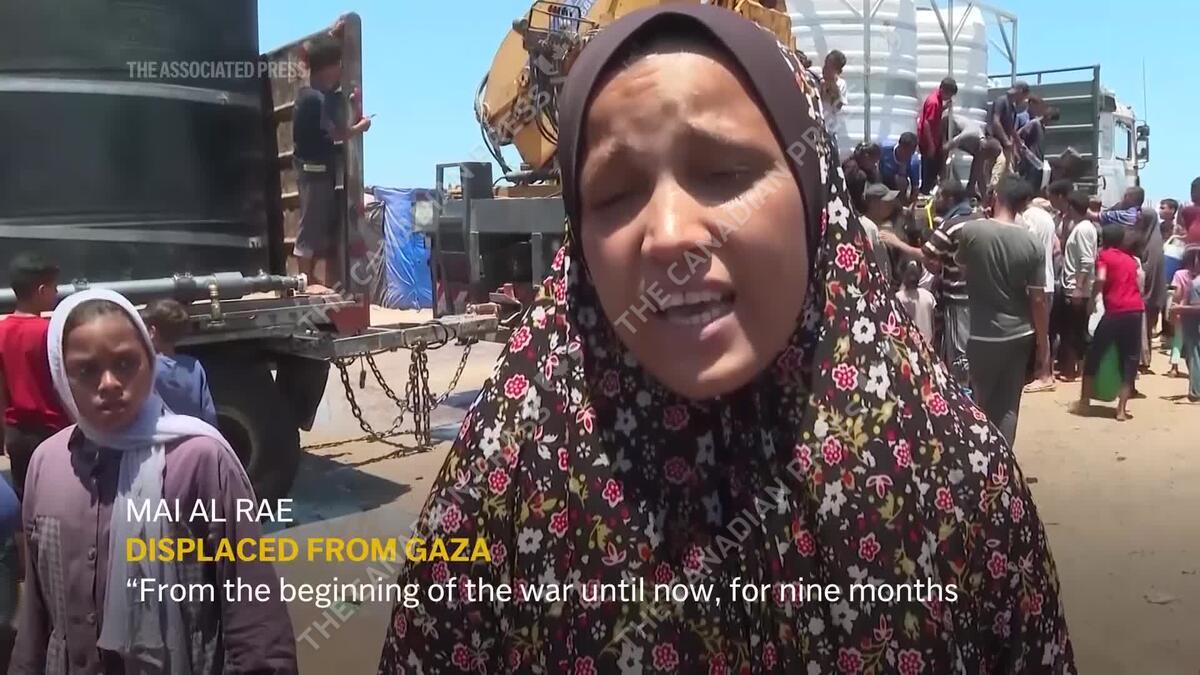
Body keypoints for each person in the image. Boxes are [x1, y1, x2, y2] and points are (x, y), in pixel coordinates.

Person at [377, 6, 1075, 673]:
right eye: (614, 192)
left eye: (724, 173)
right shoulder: (500, 483)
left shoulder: (957, 482)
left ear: (813, 195)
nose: (668, 234)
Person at [10, 289, 297, 673]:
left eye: (125, 363)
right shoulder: (47, 464)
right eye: (86, 370)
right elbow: (36, 614)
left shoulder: (200, 461)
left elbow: (253, 613)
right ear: (62, 375)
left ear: (150, 359)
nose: (109, 383)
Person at [956, 175, 1048, 445]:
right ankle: (1004, 460)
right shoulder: (1033, 243)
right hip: (1020, 334)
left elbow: (961, 267)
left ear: (996, 197)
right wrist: (1043, 345)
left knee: (980, 403)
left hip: (982, 333)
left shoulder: (972, 231)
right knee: (1009, 405)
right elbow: (1038, 300)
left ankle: (982, 457)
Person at [293, 34, 371, 293]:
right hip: (314, 171)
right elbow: (335, 134)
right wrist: (359, 127)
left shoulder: (313, 95)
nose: (341, 70)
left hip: (316, 170)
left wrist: (333, 36)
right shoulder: (314, 99)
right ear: (327, 68)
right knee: (311, 224)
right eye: (338, 64)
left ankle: (308, 277)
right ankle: (304, 278)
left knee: (316, 224)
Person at [0, 253, 67, 498]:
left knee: (26, 494)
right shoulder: (51, 332)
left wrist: (4, 433)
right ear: (41, 290)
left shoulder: (1, 330)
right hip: (54, 430)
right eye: (54, 287)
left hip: (17, 432)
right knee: (58, 493)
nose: (57, 292)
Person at [1070, 224, 1146, 421]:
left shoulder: (1104, 256)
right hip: (1135, 310)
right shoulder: (1130, 260)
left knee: (1095, 353)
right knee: (1129, 358)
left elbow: (1101, 278)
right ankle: (1121, 410)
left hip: (1115, 311)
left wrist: (1092, 300)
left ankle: (1084, 401)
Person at [922, 180, 980, 385]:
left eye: (939, 196)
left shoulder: (951, 225)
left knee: (959, 352)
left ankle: (963, 392)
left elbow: (928, 256)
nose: (936, 200)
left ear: (949, 198)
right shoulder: (980, 219)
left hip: (957, 298)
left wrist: (898, 244)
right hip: (979, 296)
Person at [144, 299, 218, 426]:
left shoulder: (146, 368)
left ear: (152, 332)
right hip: (193, 433)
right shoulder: (194, 366)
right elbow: (209, 414)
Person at [1055, 190, 1098, 381]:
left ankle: (1073, 370)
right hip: (1076, 286)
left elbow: (1086, 261)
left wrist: (1078, 288)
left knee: (1074, 330)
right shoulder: (1083, 227)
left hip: (1076, 288)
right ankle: (1076, 368)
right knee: (1075, 329)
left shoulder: (1083, 229)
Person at [1020, 194, 1060, 392]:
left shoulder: (1028, 217)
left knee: (1036, 333)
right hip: (1047, 280)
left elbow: (1026, 246)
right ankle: (1043, 373)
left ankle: (1044, 375)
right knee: (1042, 332)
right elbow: (1056, 249)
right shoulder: (1046, 217)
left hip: (1034, 283)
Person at [943, 114, 1003, 201]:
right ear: (986, 150)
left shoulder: (981, 149)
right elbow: (947, 146)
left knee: (977, 164)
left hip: (955, 134)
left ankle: (970, 190)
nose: (986, 159)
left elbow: (979, 173)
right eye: (988, 156)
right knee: (943, 155)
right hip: (946, 123)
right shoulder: (971, 135)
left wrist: (985, 198)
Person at [986, 82, 1031, 188]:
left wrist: (1019, 143)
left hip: (1005, 146)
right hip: (994, 141)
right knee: (1001, 164)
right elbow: (996, 122)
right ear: (1020, 92)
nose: (1023, 101)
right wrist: (1006, 140)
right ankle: (991, 190)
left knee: (1009, 173)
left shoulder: (1012, 108)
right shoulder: (1001, 101)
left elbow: (1011, 128)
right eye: (1024, 97)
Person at [917, 77, 957, 193]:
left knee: (934, 168)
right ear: (944, 90)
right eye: (949, 95)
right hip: (928, 141)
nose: (949, 98)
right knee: (929, 171)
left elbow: (935, 114)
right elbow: (927, 123)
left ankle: (929, 191)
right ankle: (925, 193)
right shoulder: (934, 102)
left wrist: (944, 107)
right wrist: (931, 145)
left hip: (934, 140)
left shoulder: (936, 99)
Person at [1167, 247, 1200, 380]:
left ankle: (1174, 367)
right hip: (1195, 313)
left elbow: (1176, 293)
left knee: (1178, 339)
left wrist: (1173, 308)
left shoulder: (1179, 274)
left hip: (1182, 311)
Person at [1017, 98, 1059, 193]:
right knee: (1028, 186)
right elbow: (1018, 135)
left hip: (1037, 162)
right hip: (1030, 163)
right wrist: (1024, 151)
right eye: (1051, 122)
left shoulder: (1042, 128)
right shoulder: (1034, 124)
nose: (1050, 124)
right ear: (1048, 117)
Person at [858, 183, 898, 278]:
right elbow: (872, 261)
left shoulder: (879, 226)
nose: (891, 204)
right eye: (886, 201)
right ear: (874, 204)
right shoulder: (868, 227)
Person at [812, 49, 848, 153]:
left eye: (829, 68)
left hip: (828, 131)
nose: (825, 70)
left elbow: (837, 107)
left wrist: (832, 86)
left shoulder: (841, 84)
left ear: (838, 71)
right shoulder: (816, 81)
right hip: (813, 128)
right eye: (825, 65)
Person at [896, 260, 935, 343]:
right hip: (927, 345)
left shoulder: (897, 299)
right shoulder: (929, 296)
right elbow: (933, 325)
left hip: (907, 345)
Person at [879, 132, 921, 202]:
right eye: (905, 151)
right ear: (899, 146)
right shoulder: (884, 151)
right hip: (883, 183)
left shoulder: (913, 162)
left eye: (910, 153)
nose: (906, 155)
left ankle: (900, 201)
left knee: (901, 180)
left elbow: (915, 188)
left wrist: (912, 202)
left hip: (899, 189)